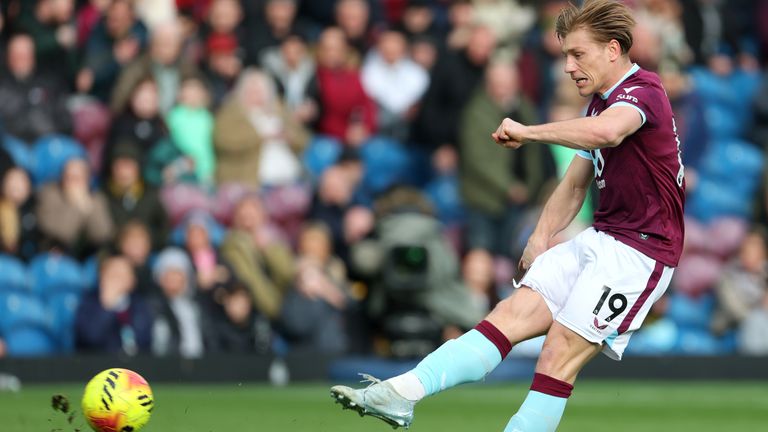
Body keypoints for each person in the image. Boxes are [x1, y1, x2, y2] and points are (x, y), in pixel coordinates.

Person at [330, 2, 686, 431]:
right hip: (603, 237)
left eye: (579, 54)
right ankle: (402, 392)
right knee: (508, 315)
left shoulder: (642, 90)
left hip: (641, 253)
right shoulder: (598, 105)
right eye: (565, 55)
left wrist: (528, 131)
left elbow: (608, 133)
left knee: (558, 353)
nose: (569, 66)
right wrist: (540, 236)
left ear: (613, 49)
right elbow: (575, 182)